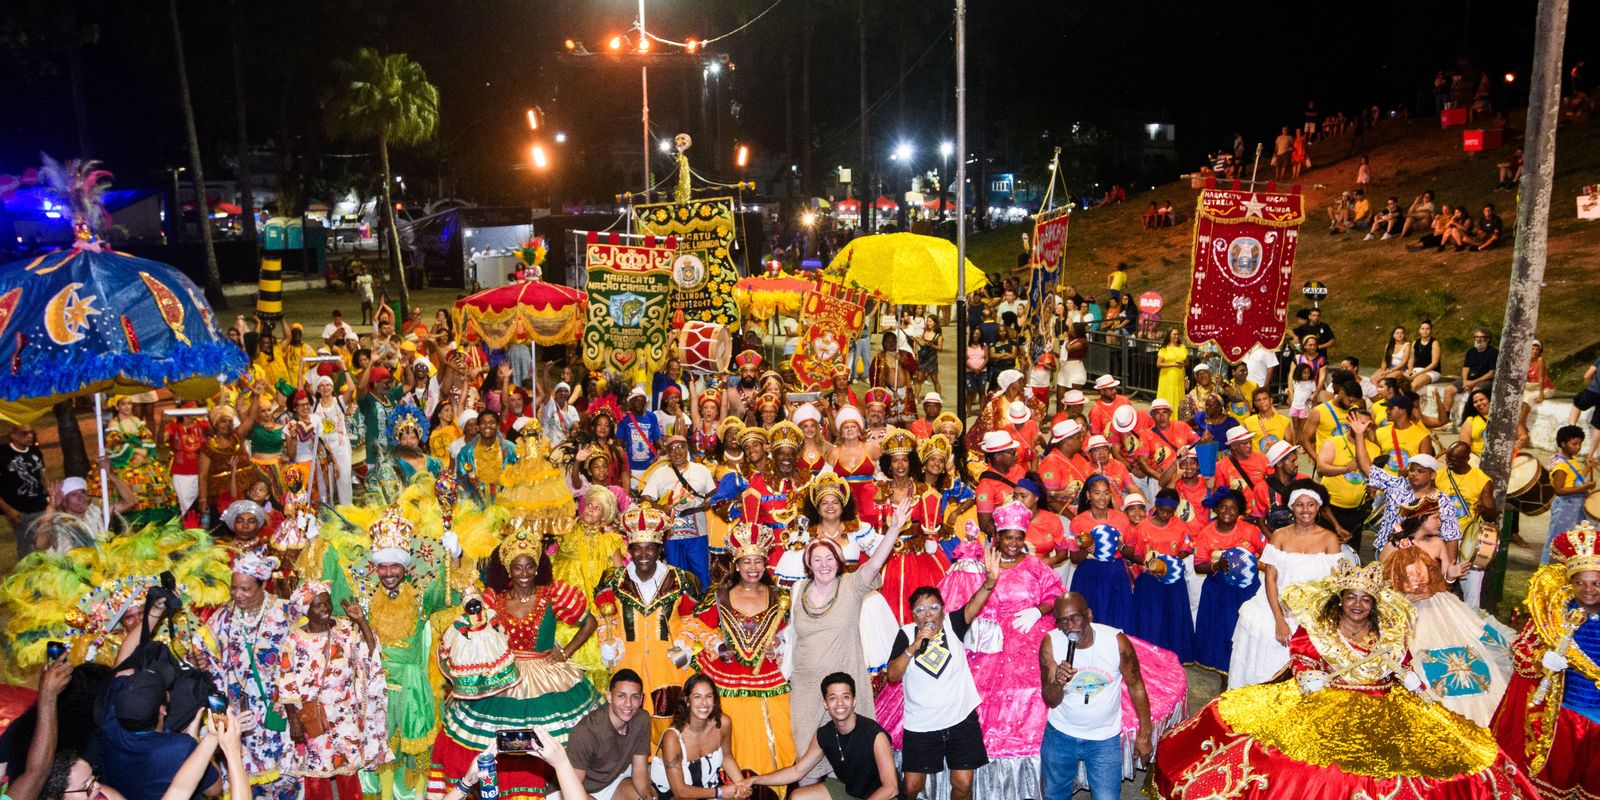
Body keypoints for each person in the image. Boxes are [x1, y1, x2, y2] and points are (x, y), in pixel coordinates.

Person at [1151, 561, 1541, 799]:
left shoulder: (1388, 635)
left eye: (1365, 599)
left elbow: (1400, 665)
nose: (1357, 603)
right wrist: (1308, 678)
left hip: (1385, 707)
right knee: (1297, 768)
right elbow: (1302, 660)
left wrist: (1408, 679)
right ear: (1340, 600)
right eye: (1351, 596)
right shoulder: (1317, 631)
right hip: (1324, 703)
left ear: (1373, 605)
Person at [937, 505, 1063, 793]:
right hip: (987, 640)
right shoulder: (980, 562)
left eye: (1019, 538)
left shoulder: (1035, 566)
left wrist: (1037, 610)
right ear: (997, 536)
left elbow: (1055, 595)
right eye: (1009, 538)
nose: (1014, 544)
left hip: (1031, 630)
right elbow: (962, 599)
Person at [786, 513, 900, 782]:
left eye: (829, 559)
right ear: (808, 564)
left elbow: (874, 565)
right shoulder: (798, 589)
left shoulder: (850, 586)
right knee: (806, 761)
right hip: (805, 689)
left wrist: (894, 529)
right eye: (817, 559)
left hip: (842, 688)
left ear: (838, 563)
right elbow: (793, 635)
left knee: (846, 759)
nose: (824, 565)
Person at [1491, 522, 1600, 798]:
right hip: (1563, 718)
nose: (1588, 589)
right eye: (1580, 582)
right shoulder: (1553, 615)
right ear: (1570, 583)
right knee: (1554, 784)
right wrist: (1543, 658)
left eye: (1596, 582)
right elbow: (1521, 654)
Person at [886, 547, 1002, 800]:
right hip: (921, 723)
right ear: (913, 615)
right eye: (920, 610)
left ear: (943, 609)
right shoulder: (905, 634)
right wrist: (913, 647)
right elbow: (892, 676)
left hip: (960, 719)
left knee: (962, 783)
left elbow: (974, 604)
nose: (927, 615)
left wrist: (990, 582)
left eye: (933, 607)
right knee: (912, 787)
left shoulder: (953, 624)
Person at [1382, 516, 1513, 726]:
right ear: (1420, 518)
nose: (1440, 521)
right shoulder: (1394, 545)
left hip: (1440, 606)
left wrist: (1450, 576)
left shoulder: (1437, 543)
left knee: (1469, 650)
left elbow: (1444, 582)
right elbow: (1384, 577)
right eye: (1435, 516)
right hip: (1407, 609)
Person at [691, 522, 794, 781]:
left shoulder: (780, 596)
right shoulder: (719, 595)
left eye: (758, 561)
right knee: (729, 739)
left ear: (765, 563)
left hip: (771, 678)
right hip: (726, 678)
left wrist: (780, 646)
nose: (753, 568)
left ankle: (770, 790)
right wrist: (717, 643)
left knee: (778, 738)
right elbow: (691, 626)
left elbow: (794, 634)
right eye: (746, 562)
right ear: (736, 565)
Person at [1228, 484, 1353, 688]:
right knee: (1267, 651)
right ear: (1292, 508)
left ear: (1318, 507)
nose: (1305, 510)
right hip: (1274, 605)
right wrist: (1279, 620)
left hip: (1313, 611)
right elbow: (1270, 578)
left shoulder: (1329, 539)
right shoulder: (1280, 536)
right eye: (1300, 505)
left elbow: (1335, 583)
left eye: (1311, 505)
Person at [593, 506, 704, 738]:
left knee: (669, 727)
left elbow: (692, 620)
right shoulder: (614, 580)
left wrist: (683, 646)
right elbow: (606, 618)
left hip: (669, 665)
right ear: (629, 550)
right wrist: (607, 641)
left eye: (650, 548)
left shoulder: (681, 580)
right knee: (628, 725)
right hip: (628, 664)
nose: (644, 555)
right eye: (638, 549)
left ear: (659, 549)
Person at [276, 581, 391, 800]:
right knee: (316, 773)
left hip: (345, 714)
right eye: (318, 605)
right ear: (305, 610)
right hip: (313, 717)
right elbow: (286, 681)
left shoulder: (345, 629)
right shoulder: (295, 640)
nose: (325, 609)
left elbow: (372, 652)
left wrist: (361, 620)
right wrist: (294, 720)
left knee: (347, 770)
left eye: (327, 603)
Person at [1039, 593, 1153, 800]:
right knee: (1054, 796)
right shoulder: (1051, 643)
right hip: (1060, 734)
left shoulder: (1116, 642)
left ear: (1089, 615)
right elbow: (1050, 700)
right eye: (1062, 620)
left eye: (1075, 617)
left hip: (1104, 738)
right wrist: (1058, 681)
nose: (1069, 626)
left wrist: (1145, 735)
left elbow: (1136, 687)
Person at [205, 553, 298, 800]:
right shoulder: (223, 617)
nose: (238, 595)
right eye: (234, 588)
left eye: (246, 589)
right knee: (242, 770)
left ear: (262, 585)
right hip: (240, 712)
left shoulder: (285, 612)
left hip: (277, 709)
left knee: (284, 777)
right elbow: (205, 656)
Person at [736, 672, 898, 800]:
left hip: (882, 796)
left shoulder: (874, 734)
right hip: (849, 791)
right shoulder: (824, 734)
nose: (840, 704)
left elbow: (891, 788)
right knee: (798, 797)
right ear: (825, 704)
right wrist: (754, 780)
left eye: (845, 697)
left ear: (854, 701)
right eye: (833, 698)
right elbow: (797, 771)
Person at [1349, 414, 1461, 561]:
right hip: (1386, 553)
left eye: (1420, 471)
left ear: (1432, 475)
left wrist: (1448, 572)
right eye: (1412, 469)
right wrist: (1359, 436)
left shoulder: (1442, 501)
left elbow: (1452, 537)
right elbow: (1366, 467)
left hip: (1419, 561)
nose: (1414, 474)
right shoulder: (1397, 485)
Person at [648, 673, 745, 799]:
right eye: (697, 697)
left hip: (711, 790)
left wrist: (741, 785)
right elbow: (680, 792)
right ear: (687, 701)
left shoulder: (723, 723)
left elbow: (727, 756)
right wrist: (720, 792)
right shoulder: (673, 739)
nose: (704, 703)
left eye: (709, 697)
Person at [639, 435, 718, 587]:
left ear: (687, 448)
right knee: (676, 574)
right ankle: (681, 608)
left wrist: (709, 502)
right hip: (671, 534)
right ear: (667, 453)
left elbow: (712, 494)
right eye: (672, 448)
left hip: (697, 533)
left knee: (701, 572)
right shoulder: (659, 473)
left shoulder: (701, 470)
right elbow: (645, 498)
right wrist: (661, 508)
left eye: (681, 447)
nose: (677, 452)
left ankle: (704, 607)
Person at [562, 670, 654, 800]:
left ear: (641, 699)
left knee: (643, 796)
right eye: (621, 696)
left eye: (635, 697)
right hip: (573, 790)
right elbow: (572, 790)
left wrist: (649, 798)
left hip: (610, 783)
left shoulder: (642, 719)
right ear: (609, 697)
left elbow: (640, 771)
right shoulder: (585, 732)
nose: (628, 704)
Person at [1128, 490, 1195, 662]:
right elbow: (1134, 553)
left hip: (1173, 581)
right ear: (1156, 506)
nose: (1165, 515)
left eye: (1170, 512)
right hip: (1150, 582)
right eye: (1162, 510)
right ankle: (1149, 658)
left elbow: (1185, 550)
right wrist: (1147, 560)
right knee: (1151, 619)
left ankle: (1174, 658)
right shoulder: (1143, 527)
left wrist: (1169, 562)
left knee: (1173, 618)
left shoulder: (1180, 526)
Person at [1068, 475, 1134, 632]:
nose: (1102, 497)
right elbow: (1074, 558)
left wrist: (1121, 546)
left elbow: (1131, 552)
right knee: (1089, 621)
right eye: (1096, 493)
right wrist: (1086, 550)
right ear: (1088, 495)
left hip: (1115, 574)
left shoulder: (1122, 519)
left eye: (1106, 492)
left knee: (1117, 621)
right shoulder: (1078, 521)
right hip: (1089, 576)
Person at [1547, 425, 1598, 564]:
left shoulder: (1571, 460)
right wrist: (1585, 487)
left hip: (1574, 508)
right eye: (1574, 444)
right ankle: (1549, 570)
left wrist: (1588, 468)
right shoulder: (1561, 466)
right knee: (1559, 540)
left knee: (1572, 541)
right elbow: (1560, 490)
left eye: (1580, 444)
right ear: (1563, 444)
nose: (1578, 447)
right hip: (1565, 507)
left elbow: (1576, 479)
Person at [1, 422, 48, 557]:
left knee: (45, 543)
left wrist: (49, 495)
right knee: (28, 548)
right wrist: (8, 510)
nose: (29, 436)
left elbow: (43, 475)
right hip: (20, 511)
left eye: (31, 432)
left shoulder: (35, 451)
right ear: (13, 435)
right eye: (24, 433)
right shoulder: (4, 454)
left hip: (41, 505)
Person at [618, 386, 663, 490]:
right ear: (631, 402)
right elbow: (619, 443)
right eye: (636, 400)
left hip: (650, 466)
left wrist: (663, 449)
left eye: (642, 400)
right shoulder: (624, 419)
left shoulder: (651, 417)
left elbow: (657, 438)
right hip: (631, 468)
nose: (640, 403)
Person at [1154, 330, 1188, 412]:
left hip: (1179, 377)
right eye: (1174, 334)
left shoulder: (1182, 347)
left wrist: (1183, 363)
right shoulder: (1164, 349)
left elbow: (1187, 361)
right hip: (1168, 378)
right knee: (1169, 395)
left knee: (1178, 396)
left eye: (1177, 334)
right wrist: (1173, 364)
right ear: (1169, 335)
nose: (1176, 336)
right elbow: (1158, 364)